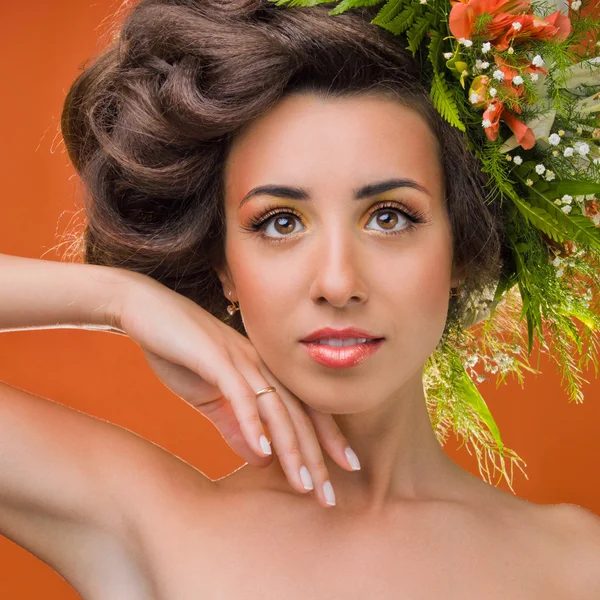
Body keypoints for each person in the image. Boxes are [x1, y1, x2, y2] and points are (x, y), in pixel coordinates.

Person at [1, 0, 599, 597]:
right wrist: (118, 299)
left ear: (463, 249)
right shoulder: (145, 528)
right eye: (280, 223)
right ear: (223, 265)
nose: (338, 284)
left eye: (389, 217)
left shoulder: (576, 565)